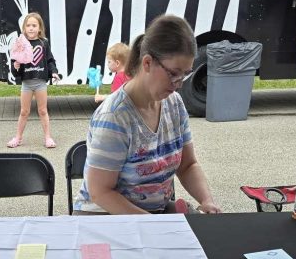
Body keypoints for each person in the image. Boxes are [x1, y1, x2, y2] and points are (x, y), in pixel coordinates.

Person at [75, 14, 221, 215]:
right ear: (147, 63)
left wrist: (207, 200)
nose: (179, 84)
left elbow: (187, 165)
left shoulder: (175, 104)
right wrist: (153, 225)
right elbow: (100, 192)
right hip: (103, 217)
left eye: (185, 74)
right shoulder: (115, 116)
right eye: (173, 73)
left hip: (151, 215)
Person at [6, 12, 60, 148]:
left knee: (43, 111)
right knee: (24, 112)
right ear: (24, 28)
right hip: (27, 84)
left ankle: (48, 137)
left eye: (34, 25)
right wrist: (16, 66)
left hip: (40, 83)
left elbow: (50, 60)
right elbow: (14, 64)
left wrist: (54, 72)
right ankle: (18, 137)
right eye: (28, 25)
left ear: (39, 28)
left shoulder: (44, 43)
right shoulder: (21, 44)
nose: (31, 28)